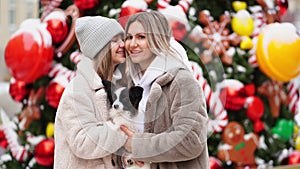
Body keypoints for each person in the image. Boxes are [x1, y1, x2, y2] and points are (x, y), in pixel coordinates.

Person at [120, 11, 210, 169]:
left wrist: (139, 146)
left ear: (157, 39)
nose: (132, 44)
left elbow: (191, 140)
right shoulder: (132, 85)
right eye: (129, 37)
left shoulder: (181, 81)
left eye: (141, 37)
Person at [54, 16, 127, 169]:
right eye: (115, 40)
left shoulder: (115, 85)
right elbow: (82, 143)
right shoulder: (78, 90)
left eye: (122, 39)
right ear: (100, 49)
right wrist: (123, 127)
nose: (123, 45)